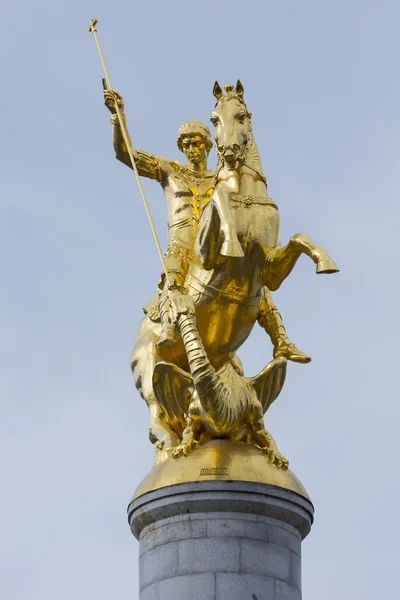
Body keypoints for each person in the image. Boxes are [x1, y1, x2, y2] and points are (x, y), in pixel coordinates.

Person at [104, 87, 310, 362]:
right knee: (174, 271)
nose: (192, 148)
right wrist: (118, 117)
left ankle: (281, 339)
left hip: (215, 246)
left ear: (209, 145)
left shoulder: (220, 179)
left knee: (254, 276)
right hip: (184, 246)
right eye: (187, 143)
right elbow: (124, 153)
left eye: (198, 142)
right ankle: (168, 327)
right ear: (181, 147)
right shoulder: (171, 171)